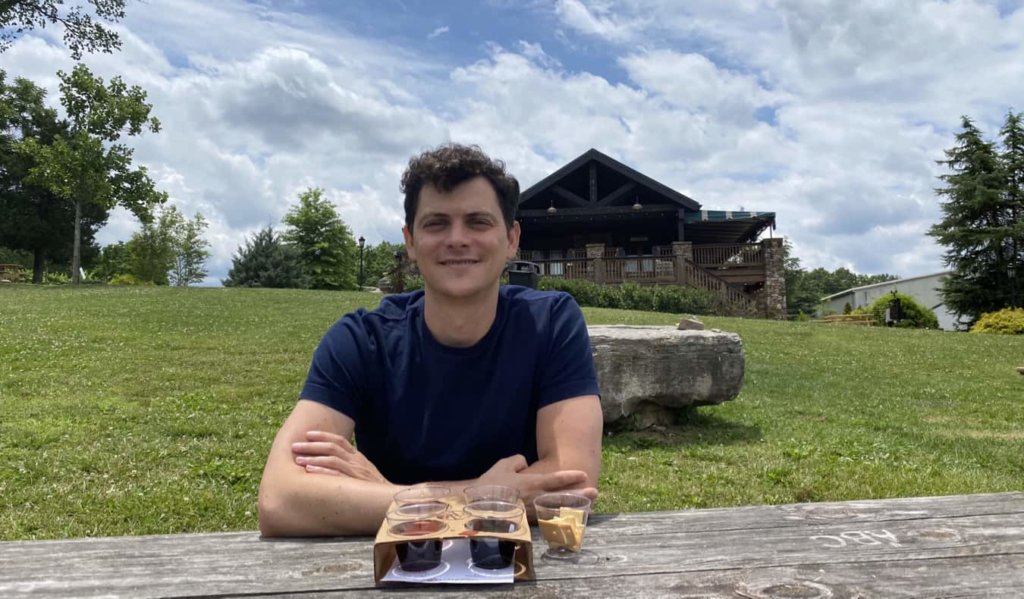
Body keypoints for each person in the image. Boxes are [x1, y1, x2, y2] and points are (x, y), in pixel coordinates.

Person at [257, 143, 603, 537]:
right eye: (436, 223)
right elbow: (279, 500)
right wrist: (479, 496)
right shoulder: (361, 339)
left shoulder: (551, 323)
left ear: (511, 239)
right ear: (410, 241)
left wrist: (387, 495)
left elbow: (571, 485)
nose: (457, 239)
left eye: (478, 222)